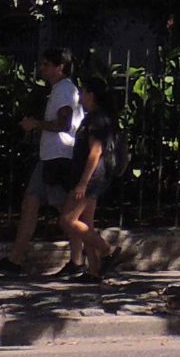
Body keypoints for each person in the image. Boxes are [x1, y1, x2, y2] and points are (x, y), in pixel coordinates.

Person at [0, 49, 80, 275]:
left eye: (45, 64)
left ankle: (81, 259)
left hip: (59, 157)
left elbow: (64, 124)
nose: (41, 68)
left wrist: (35, 124)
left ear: (59, 66)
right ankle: (15, 260)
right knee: (30, 203)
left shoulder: (65, 90)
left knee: (67, 213)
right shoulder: (58, 90)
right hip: (48, 156)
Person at [54, 77, 120, 280]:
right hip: (92, 176)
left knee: (68, 220)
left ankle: (107, 251)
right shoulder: (95, 116)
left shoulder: (96, 119)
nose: (80, 95)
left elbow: (95, 151)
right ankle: (95, 270)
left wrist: (83, 182)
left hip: (91, 177)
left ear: (91, 94)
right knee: (85, 223)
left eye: (82, 92)